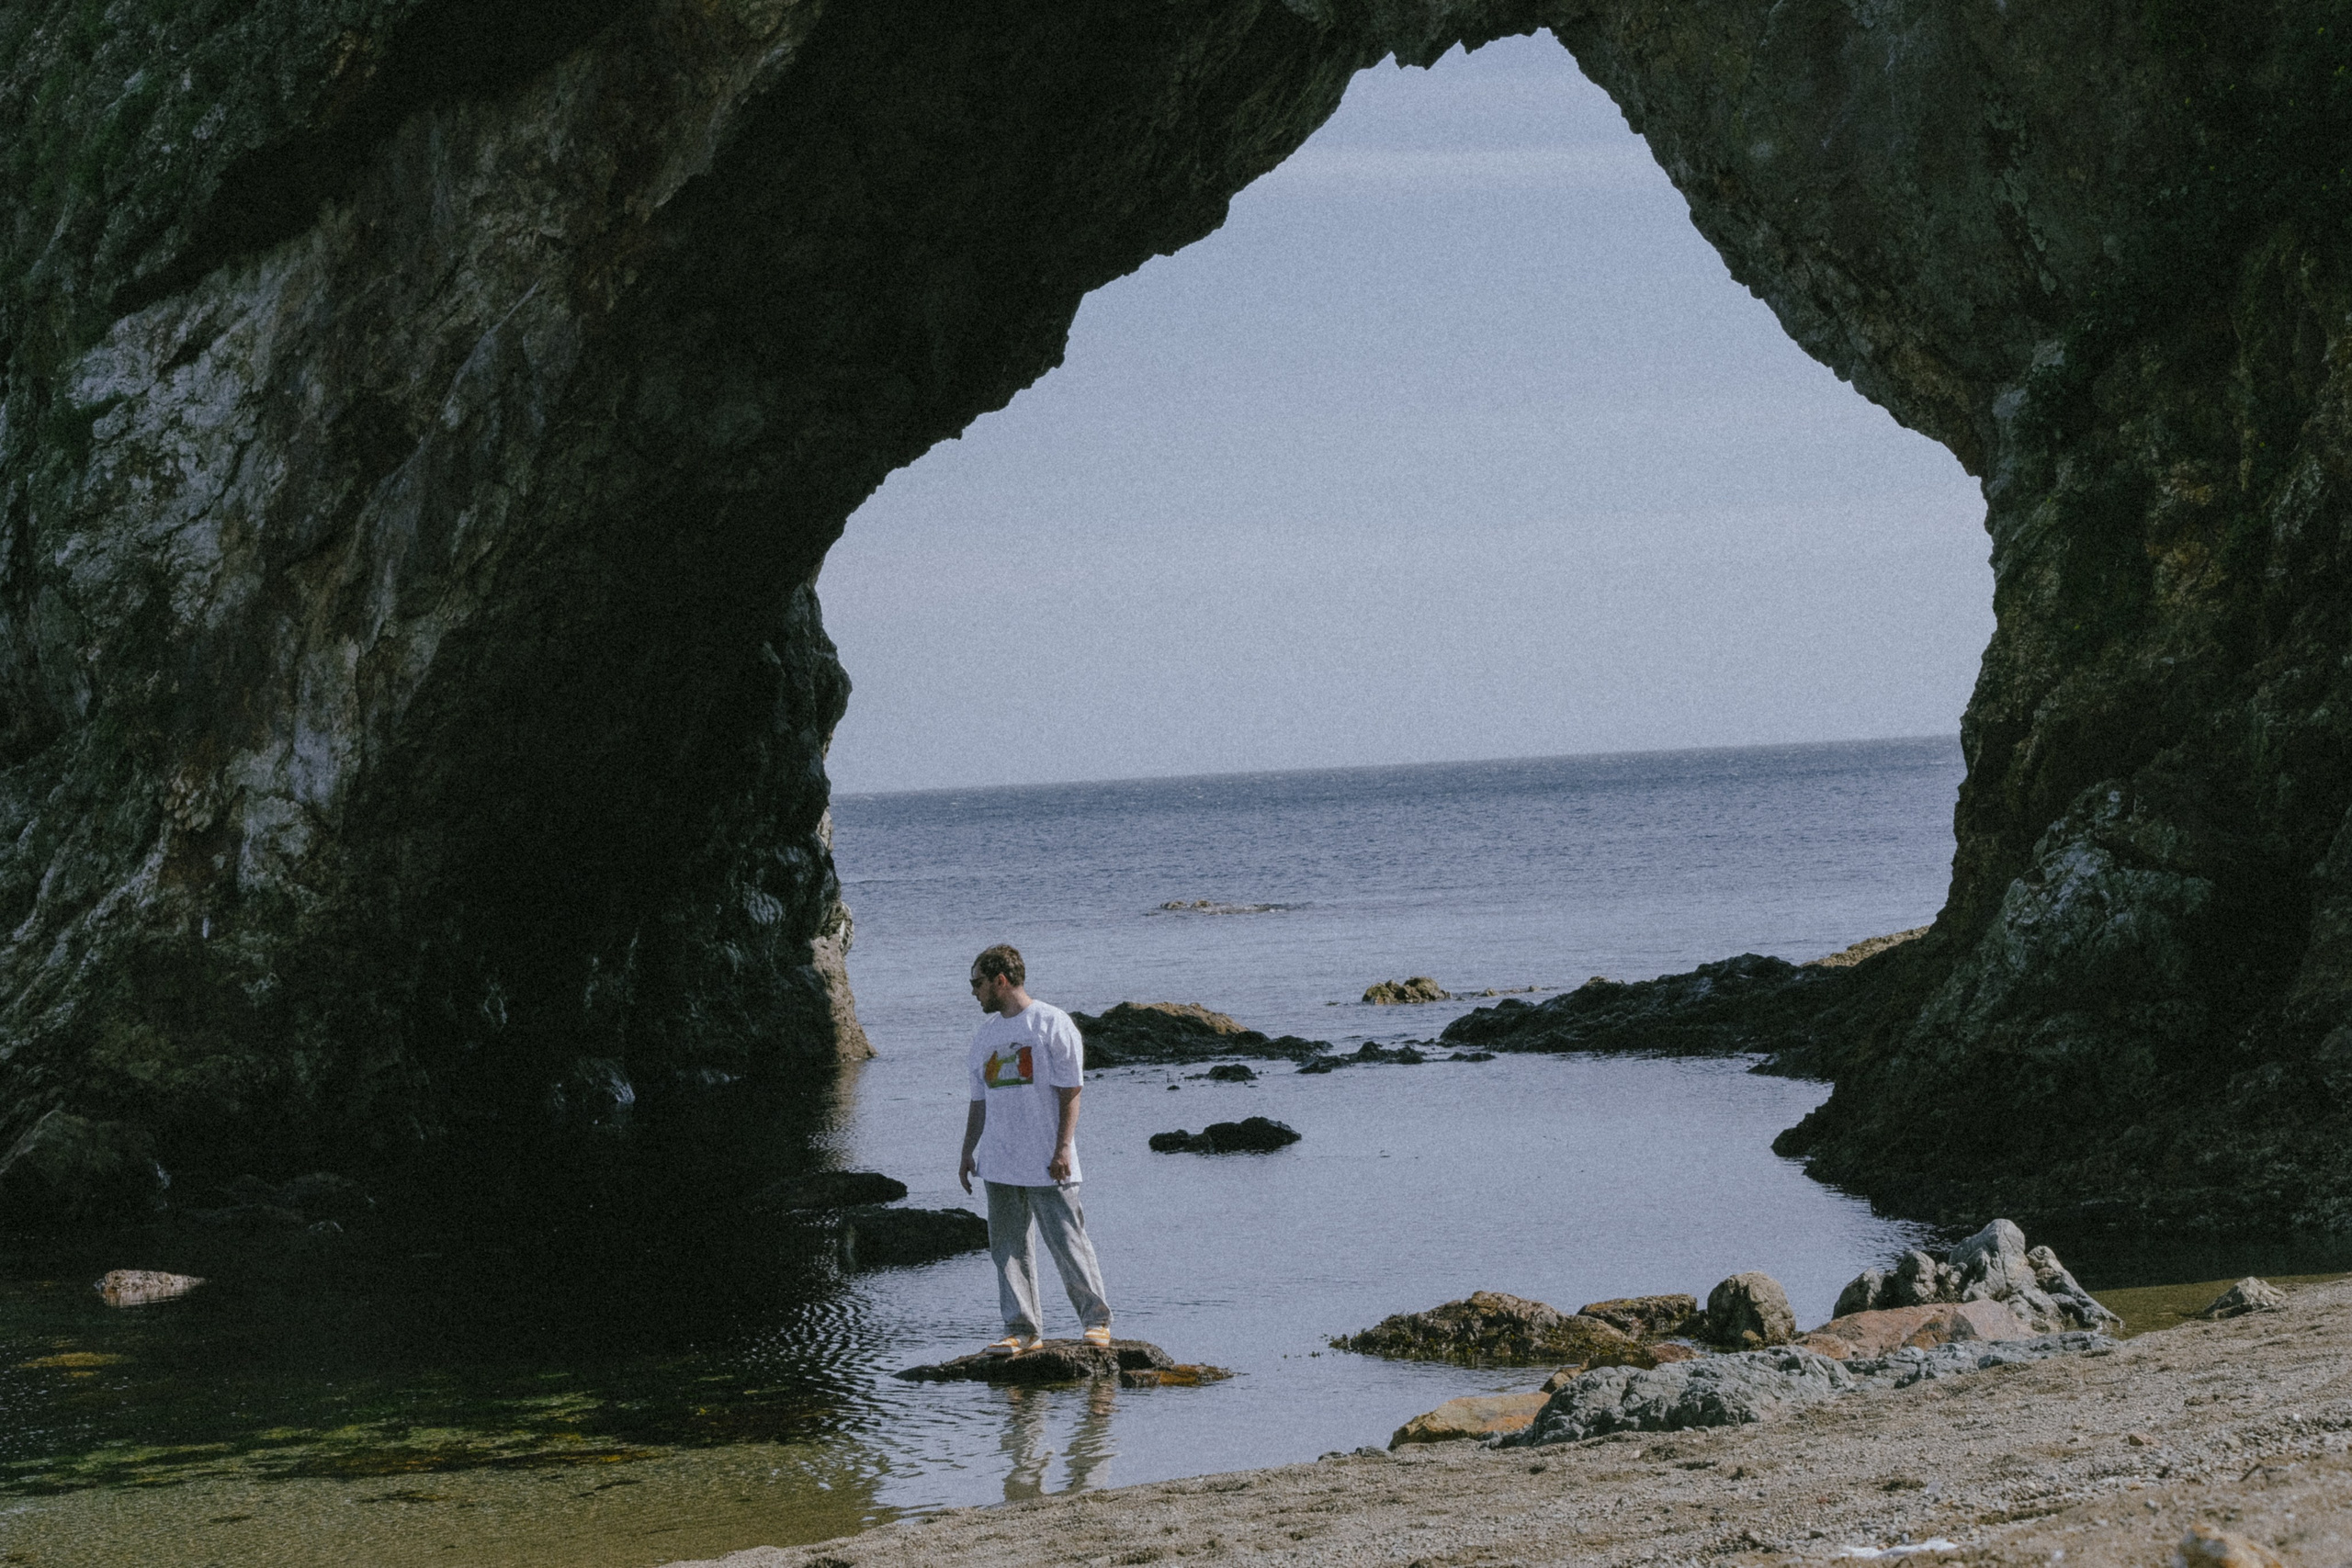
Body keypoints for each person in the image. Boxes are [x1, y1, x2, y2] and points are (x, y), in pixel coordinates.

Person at [957, 943, 1114, 1354]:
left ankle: (1096, 1321)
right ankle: (1022, 1330)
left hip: (1048, 1161)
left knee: (1068, 1242)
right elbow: (979, 1101)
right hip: (999, 1161)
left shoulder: (1050, 1023)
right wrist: (966, 1152)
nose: (973, 992)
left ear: (1000, 981)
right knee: (1007, 1249)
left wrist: (1063, 1148)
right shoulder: (986, 1035)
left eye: (977, 983)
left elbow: (1072, 1090)